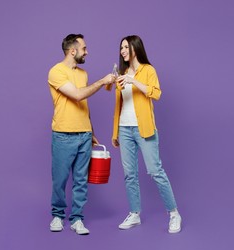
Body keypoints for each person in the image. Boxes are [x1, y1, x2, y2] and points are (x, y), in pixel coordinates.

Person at [111, 35, 182, 233]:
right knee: (129, 175)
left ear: (135, 48)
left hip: (144, 129)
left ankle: (174, 213)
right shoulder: (123, 72)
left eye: (126, 47)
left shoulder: (148, 70)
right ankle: (134, 214)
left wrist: (133, 81)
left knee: (155, 171)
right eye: (121, 48)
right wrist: (115, 131)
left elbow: (156, 93)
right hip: (125, 129)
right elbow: (119, 104)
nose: (122, 51)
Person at [48, 34, 116, 235]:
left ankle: (77, 219)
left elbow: (83, 104)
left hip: (84, 134)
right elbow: (77, 95)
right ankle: (58, 216)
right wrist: (103, 81)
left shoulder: (83, 73)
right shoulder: (56, 71)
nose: (87, 51)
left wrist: (91, 130)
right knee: (59, 180)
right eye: (84, 48)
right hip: (63, 134)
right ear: (73, 51)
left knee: (80, 180)